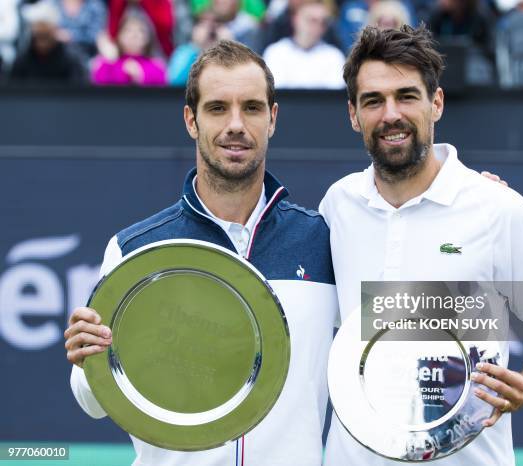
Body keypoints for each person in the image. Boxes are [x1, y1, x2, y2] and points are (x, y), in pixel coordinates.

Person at [65, 40, 338, 466]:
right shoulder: (135, 250)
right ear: (191, 120)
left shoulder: (323, 241)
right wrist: (87, 361)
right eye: (217, 108)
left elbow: (399, 333)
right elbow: (93, 401)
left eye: (251, 107)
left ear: (273, 118)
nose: (235, 124)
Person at [319, 25, 523, 466]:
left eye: (407, 96)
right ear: (353, 114)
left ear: (436, 103)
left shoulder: (500, 209)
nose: (391, 114)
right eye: (373, 100)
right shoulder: (337, 206)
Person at [263, 0, 345, 89]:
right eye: (312, 20)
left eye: (323, 22)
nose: (318, 26)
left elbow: (335, 98)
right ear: (295, 19)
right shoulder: (275, 53)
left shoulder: (334, 57)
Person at [10, 0, 86, 83]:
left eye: (45, 35)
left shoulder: (71, 59)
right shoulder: (23, 60)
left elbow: (79, 90)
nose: (42, 40)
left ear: (55, 29)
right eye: (39, 35)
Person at [92, 12, 167, 86]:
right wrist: (111, 62)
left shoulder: (156, 66)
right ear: (119, 36)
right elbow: (99, 83)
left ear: (148, 38)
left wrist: (140, 75)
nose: (134, 35)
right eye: (128, 30)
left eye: (140, 31)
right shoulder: (108, 63)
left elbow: (161, 86)